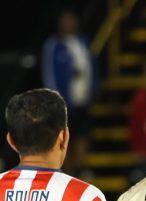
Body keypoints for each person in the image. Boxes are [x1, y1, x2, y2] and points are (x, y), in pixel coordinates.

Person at [41, 10, 98, 176]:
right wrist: (57, 100)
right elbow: (49, 74)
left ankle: (81, 169)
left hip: (83, 100)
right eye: (65, 20)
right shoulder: (53, 45)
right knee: (64, 138)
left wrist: (95, 87)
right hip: (64, 103)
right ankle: (67, 172)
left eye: (71, 20)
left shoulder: (83, 41)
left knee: (83, 134)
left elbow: (92, 66)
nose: (68, 24)